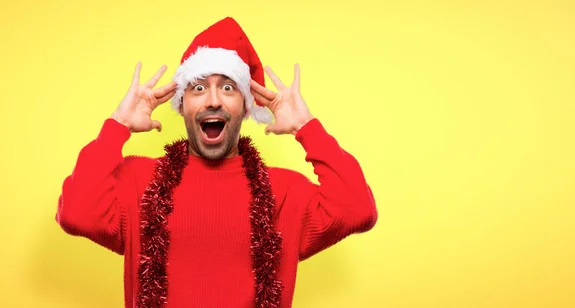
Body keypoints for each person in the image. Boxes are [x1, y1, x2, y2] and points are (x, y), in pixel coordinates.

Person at [55, 17, 377, 308]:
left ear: (245, 106)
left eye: (227, 87)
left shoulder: (283, 193)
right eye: (198, 87)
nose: (212, 100)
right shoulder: (141, 183)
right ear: (181, 105)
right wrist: (118, 125)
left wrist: (307, 128)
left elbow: (357, 208)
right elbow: (76, 213)